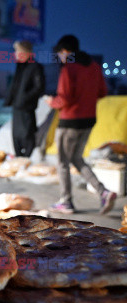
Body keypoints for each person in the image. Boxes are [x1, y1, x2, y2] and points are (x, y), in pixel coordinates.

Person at [45, 35, 116, 214]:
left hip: (70, 121)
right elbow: (102, 92)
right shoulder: (93, 66)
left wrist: (51, 101)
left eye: (60, 53)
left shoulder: (69, 68)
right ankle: (103, 192)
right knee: (76, 158)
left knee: (62, 162)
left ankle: (66, 201)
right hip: (88, 120)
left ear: (65, 51)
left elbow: (65, 98)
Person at [4, 40, 45, 157]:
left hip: (27, 108)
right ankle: (18, 159)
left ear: (25, 52)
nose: (15, 54)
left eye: (18, 51)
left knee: (27, 134)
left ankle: (27, 159)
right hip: (17, 106)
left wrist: (24, 98)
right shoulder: (20, 66)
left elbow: (39, 87)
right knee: (16, 135)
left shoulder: (35, 66)